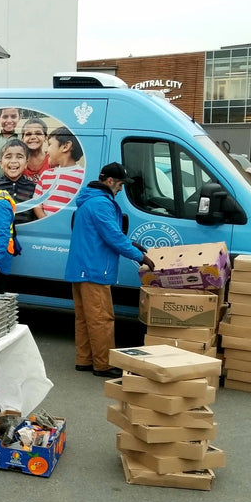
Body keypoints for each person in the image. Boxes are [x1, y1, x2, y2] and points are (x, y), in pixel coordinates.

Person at [66, 162, 155, 379]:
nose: (121, 189)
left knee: (85, 318)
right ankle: (103, 365)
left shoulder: (89, 201)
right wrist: (140, 256)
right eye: (121, 184)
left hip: (81, 269)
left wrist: (132, 243)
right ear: (110, 181)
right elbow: (112, 236)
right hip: (95, 270)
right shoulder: (101, 204)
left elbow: (106, 233)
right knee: (101, 318)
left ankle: (84, 360)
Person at [34, 126, 86, 218]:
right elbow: (36, 203)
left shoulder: (82, 176)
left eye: (49, 144)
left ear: (65, 146)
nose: (46, 150)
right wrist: (46, 221)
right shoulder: (46, 175)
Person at [20, 118, 50, 182]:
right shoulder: (18, 162)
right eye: (28, 134)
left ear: (45, 137)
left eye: (38, 133)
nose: (33, 137)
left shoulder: (52, 160)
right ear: (22, 139)